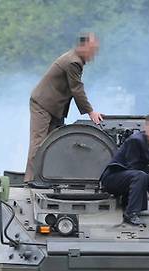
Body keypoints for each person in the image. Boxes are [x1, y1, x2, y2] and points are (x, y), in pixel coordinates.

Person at [25, 32, 104, 182]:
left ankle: (51, 177)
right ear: (83, 46)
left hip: (54, 107)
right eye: (92, 49)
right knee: (39, 142)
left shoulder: (75, 59)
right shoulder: (73, 62)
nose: (94, 54)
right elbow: (76, 89)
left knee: (56, 142)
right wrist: (90, 112)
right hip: (43, 104)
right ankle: (31, 179)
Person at [100, 112, 149, 226]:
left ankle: (127, 202)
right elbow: (132, 167)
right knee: (140, 176)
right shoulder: (136, 140)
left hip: (127, 177)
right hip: (112, 179)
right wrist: (142, 190)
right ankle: (131, 212)